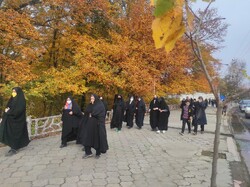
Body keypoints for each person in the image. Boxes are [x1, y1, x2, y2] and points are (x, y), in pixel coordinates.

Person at [0, 87, 30, 156]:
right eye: (12, 91)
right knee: (10, 133)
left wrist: (8, 112)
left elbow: (18, 111)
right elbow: (8, 107)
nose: (13, 93)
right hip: (11, 121)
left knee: (15, 134)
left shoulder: (21, 101)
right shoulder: (12, 99)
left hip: (18, 121)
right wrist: (6, 113)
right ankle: (13, 147)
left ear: (18, 93)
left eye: (15, 92)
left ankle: (14, 149)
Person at [80, 94, 108, 159]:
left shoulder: (100, 105)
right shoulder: (90, 104)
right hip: (89, 125)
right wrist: (90, 107)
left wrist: (92, 114)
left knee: (96, 139)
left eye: (93, 97)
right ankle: (88, 152)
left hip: (97, 125)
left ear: (96, 98)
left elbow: (100, 114)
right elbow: (87, 111)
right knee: (87, 137)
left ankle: (98, 153)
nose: (92, 98)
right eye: (91, 97)